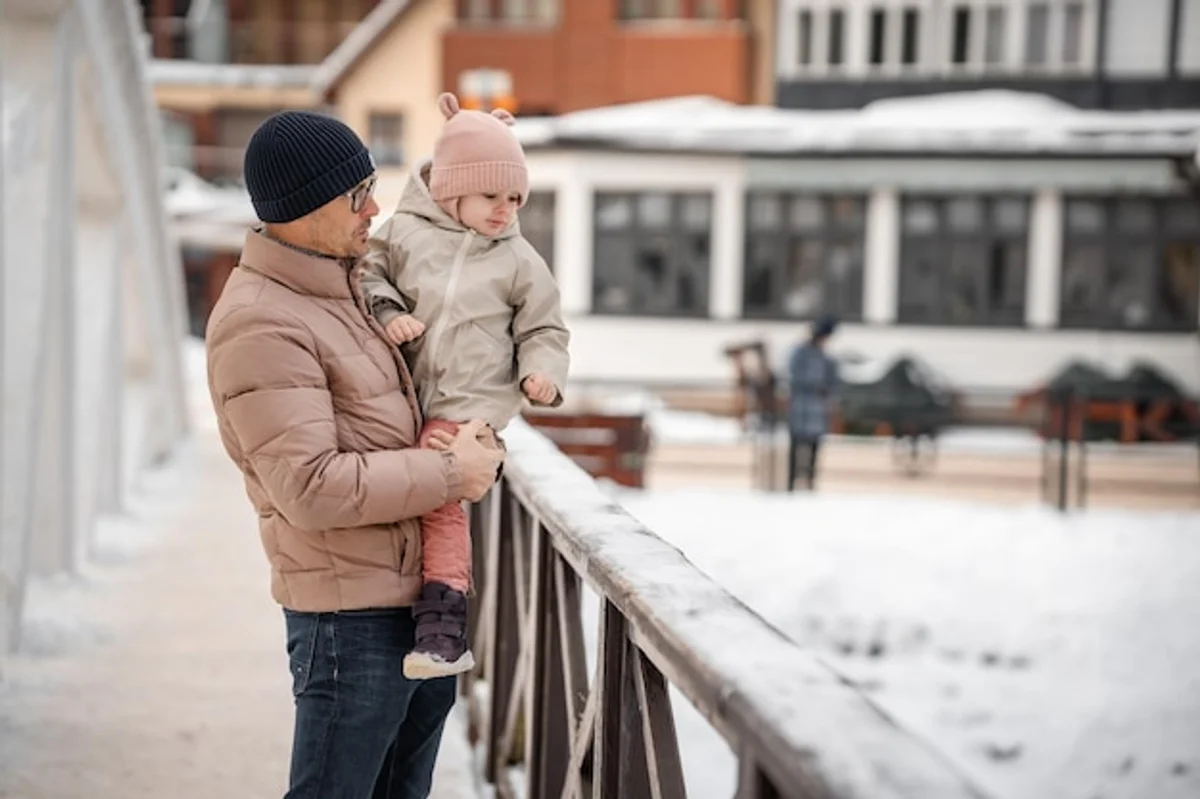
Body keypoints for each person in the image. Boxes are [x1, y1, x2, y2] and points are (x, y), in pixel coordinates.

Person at [205, 109, 505, 799]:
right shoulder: (262, 320)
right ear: (303, 207)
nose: (373, 208)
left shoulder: (344, 286)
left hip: (413, 606)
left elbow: (440, 237)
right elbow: (309, 486)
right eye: (356, 195)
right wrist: (449, 472)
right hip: (351, 624)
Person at [360, 92, 569, 680]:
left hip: (466, 407)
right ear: (450, 189)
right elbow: (367, 274)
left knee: (442, 501)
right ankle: (404, 605)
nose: (505, 211)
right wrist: (388, 312)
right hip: (401, 399)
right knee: (406, 495)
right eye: (491, 196)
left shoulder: (518, 260)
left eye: (514, 199)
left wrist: (543, 371)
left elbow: (545, 326)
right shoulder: (401, 233)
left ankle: (444, 628)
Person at [787, 316, 840, 491]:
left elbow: (833, 380)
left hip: (816, 407)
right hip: (802, 405)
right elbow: (794, 375)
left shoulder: (825, 357)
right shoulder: (801, 353)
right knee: (796, 445)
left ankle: (810, 479)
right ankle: (792, 480)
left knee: (814, 446)